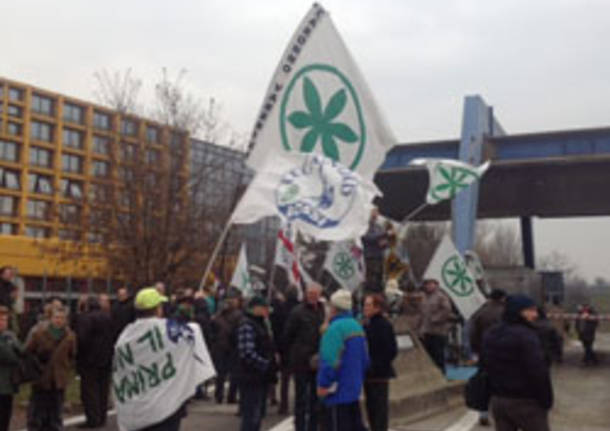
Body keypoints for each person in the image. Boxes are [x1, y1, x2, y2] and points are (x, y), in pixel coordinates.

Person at [113, 287, 215, 431]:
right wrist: (199, 303)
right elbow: (194, 331)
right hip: (168, 407)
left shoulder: (125, 337)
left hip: (138, 409)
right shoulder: (170, 331)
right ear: (157, 309)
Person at [481, 294, 553, 431]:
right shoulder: (526, 336)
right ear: (518, 311)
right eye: (531, 310)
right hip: (526, 401)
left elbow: (484, 364)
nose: (535, 314)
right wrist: (546, 399)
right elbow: (537, 371)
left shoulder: (491, 333)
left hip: (499, 400)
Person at [317, 289, 369, 431]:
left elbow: (329, 361)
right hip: (353, 388)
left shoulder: (334, 329)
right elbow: (365, 359)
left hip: (337, 392)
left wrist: (323, 385)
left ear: (334, 308)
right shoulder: (356, 326)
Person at [26, 305, 77, 431]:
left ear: (65, 320)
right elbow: (28, 351)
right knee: (38, 409)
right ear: (51, 319)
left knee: (56, 410)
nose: (58, 320)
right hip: (42, 376)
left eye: (61, 318)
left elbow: (72, 355)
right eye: (56, 317)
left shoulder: (70, 336)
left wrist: (65, 369)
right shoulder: (39, 334)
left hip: (59, 378)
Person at [283, 283, 325, 431]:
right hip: (301, 360)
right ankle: (300, 427)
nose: (313, 296)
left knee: (316, 398)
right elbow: (287, 335)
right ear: (306, 294)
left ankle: (313, 427)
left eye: (315, 294)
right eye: (310, 293)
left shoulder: (322, 311)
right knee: (301, 398)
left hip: (318, 360)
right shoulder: (297, 312)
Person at [235, 295, 278, 431]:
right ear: (256, 309)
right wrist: (265, 364)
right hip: (250, 376)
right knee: (251, 415)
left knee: (257, 414)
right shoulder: (247, 325)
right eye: (264, 308)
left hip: (259, 377)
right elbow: (246, 352)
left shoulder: (261, 324)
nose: (267, 312)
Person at [468, 288, 507, 426]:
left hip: (484, 353)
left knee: (484, 384)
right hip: (503, 353)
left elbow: (472, 332)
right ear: (502, 298)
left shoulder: (480, 312)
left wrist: (475, 350)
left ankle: (483, 414)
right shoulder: (506, 312)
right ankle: (502, 415)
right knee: (503, 385)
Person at [75, 297, 114, 428]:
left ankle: (93, 419)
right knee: (103, 390)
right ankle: (102, 417)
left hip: (89, 359)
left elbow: (82, 339)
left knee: (89, 390)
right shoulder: (108, 318)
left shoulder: (85, 318)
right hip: (106, 358)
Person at [362, 294, 398, 431]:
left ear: (377, 308)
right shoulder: (367, 324)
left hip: (379, 373)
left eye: (368, 305)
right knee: (371, 408)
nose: (365, 308)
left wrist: (377, 365)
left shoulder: (383, 325)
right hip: (368, 373)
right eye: (365, 305)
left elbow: (391, 350)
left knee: (379, 410)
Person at [210, 287, 243, 404]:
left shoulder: (217, 316)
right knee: (233, 373)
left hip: (220, 346)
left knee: (221, 373)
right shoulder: (238, 315)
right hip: (231, 347)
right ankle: (231, 396)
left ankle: (219, 395)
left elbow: (212, 331)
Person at [420, 279, 453, 373]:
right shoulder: (425, 297)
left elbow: (447, 310)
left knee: (438, 355)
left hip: (438, 331)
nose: (428, 286)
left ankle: (441, 374)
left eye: (430, 284)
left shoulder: (441, 296)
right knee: (429, 356)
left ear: (436, 285)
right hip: (427, 330)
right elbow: (423, 314)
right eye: (426, 284)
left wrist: (436, 319)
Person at [0, 307, 22, 431]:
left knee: (6, 416)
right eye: (0, 319)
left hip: (8, 383)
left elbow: (21, 351)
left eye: (4, 320)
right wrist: (11, 349)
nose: (2, 322)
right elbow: (7, 355)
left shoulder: (10, 336)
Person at [361, 208, 388, 290]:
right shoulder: (365, 226)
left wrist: (385, 243)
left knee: (379, 277)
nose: (376, 214)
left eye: (377, 211)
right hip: (370, 256)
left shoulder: (379, 226)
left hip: (380, 255)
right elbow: (367, 237)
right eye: (374, 211)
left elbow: (382, 239)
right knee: (371, 279)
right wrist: (383, 234)